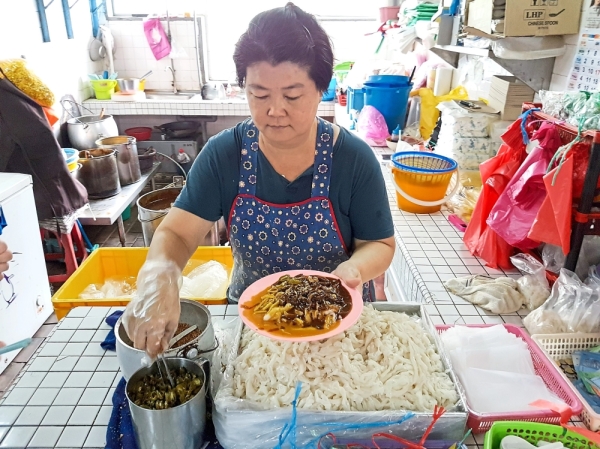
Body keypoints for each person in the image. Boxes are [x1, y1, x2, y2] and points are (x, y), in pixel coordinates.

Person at [123, 3, 395, 358]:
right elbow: (176, 232)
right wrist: (160, 274)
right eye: (260, 94)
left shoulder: (354, 160)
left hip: (337, 323)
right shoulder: (225, 155)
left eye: (292, 95)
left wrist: (354, 269)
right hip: (251, 325)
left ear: (320, 89)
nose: (275, 110)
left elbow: (381, 245)